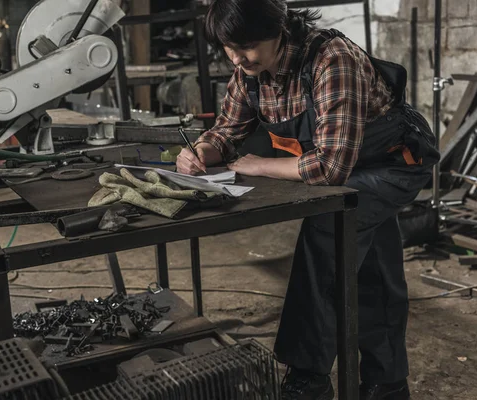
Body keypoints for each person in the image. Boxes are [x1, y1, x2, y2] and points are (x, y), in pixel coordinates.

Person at [176, 1, 440, 399]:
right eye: (228, 47)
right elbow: (226, 131)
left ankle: (308, 378)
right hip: (347, 167)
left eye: (245, 45)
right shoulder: (248, 70)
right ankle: (387, 382)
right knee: (372, 261)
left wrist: (260, 166)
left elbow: (330, 169)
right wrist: (200, 150)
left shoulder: (331, 60)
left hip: (392, 165)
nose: (236, 57)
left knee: (328, 230)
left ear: (278, 28)